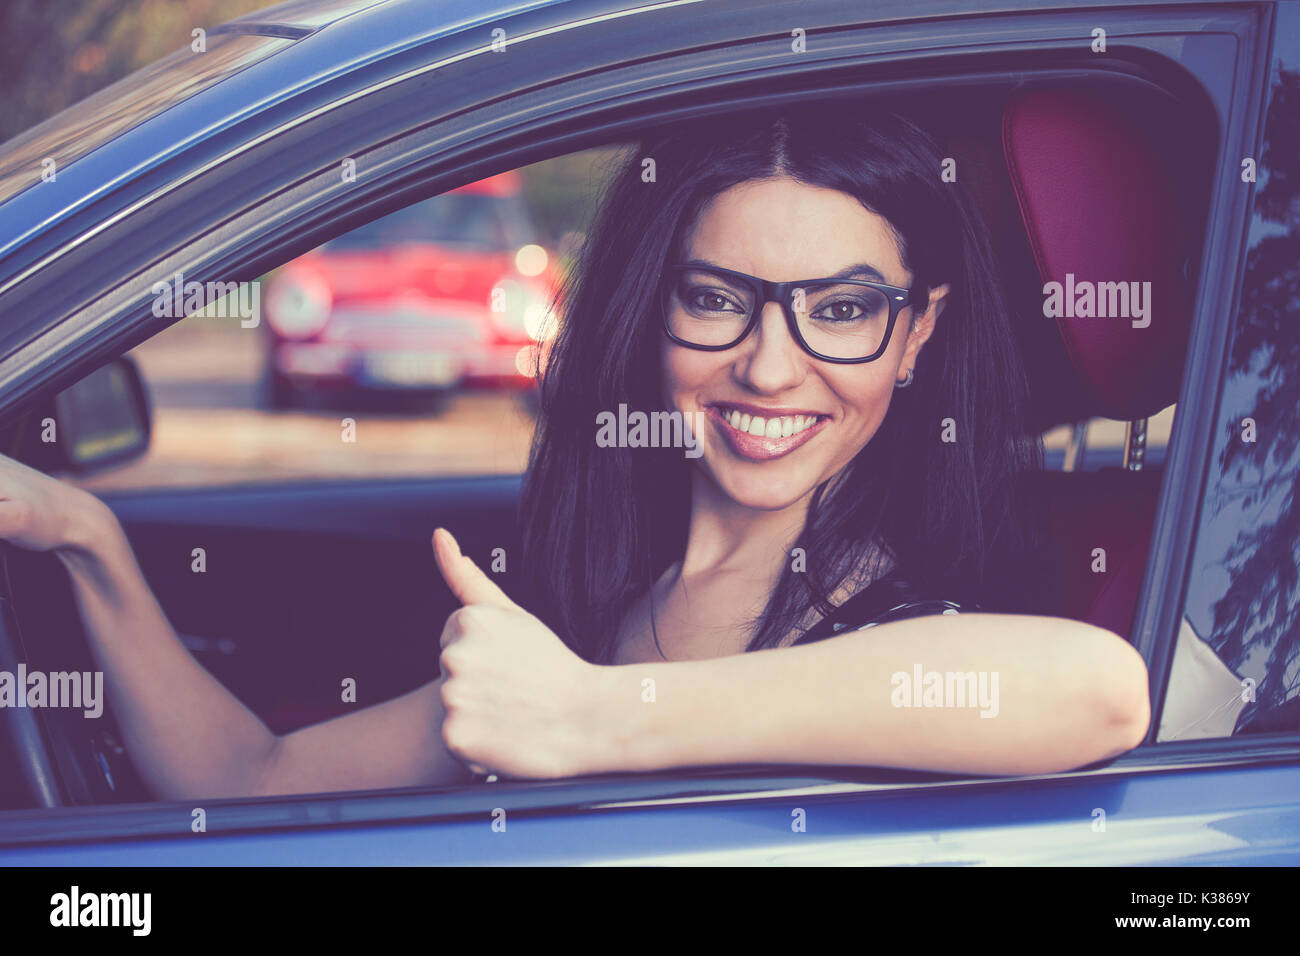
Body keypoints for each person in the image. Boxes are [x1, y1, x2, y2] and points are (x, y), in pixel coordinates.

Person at [0, 105, 1149, 800]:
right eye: (717, 300)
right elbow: (244, 779)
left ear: (915, 333)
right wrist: (87, 539)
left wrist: (593, 718)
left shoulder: (893, 607)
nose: (769, 365)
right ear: (656, 309)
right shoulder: (592, 604)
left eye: (839, 311)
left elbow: (1097, 694)